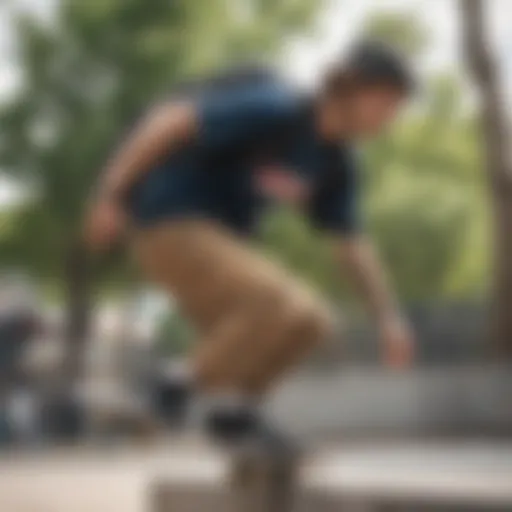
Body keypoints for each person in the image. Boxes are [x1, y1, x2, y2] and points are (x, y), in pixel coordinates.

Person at [86, 41, 417, 449]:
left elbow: (351, 243)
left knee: (312, 321)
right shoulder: (275, 107)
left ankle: (233, 412)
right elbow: (169, 121)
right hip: (169, 224)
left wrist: (388, 318)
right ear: (353, 86)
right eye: (386, 102)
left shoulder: (335, 163)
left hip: (218, 245)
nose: (391, 117)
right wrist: (111, 193)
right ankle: (168, 387)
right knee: (280, 303)